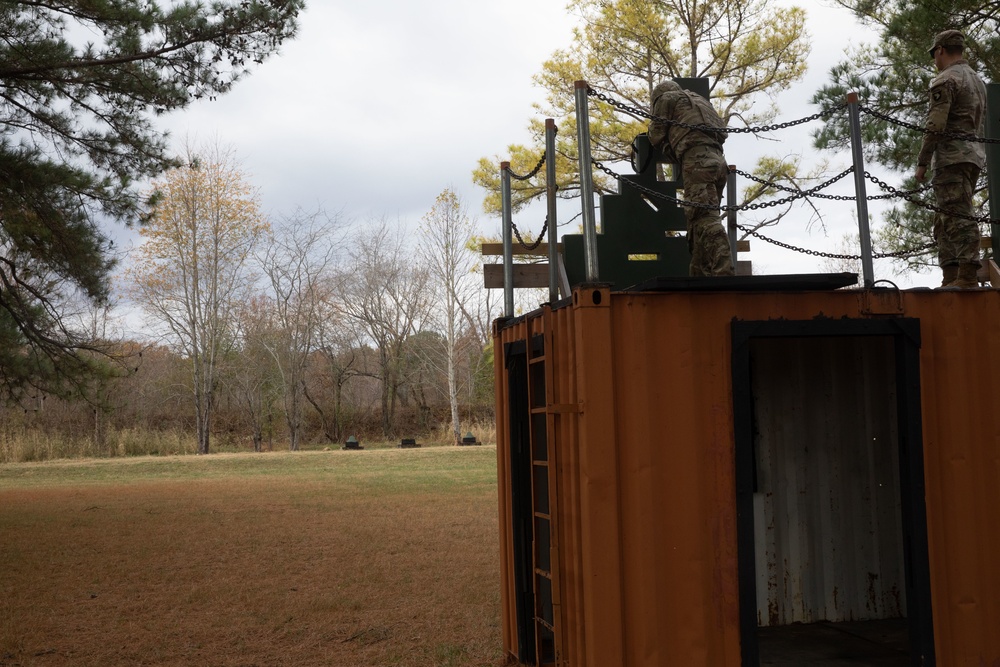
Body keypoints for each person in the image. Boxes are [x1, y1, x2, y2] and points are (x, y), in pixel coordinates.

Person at [916, 30, 987, 289]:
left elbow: (935, 124)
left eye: (934, 53)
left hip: (951, 157)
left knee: (956, 214)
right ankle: (952, 275)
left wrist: (923, 161)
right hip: (973, 155)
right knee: (946, 215)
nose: (935, 58)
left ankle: (966, 275)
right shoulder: (977, 80)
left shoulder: (946, 79)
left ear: (941, 50)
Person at [647, 80, 734, 277]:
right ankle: (700, 274)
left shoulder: (667, 98)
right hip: (719, 162)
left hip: (698, 162)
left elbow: (656, 134)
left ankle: (723, 271)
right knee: (696, 219)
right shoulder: (699, 101)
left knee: (705, 218)